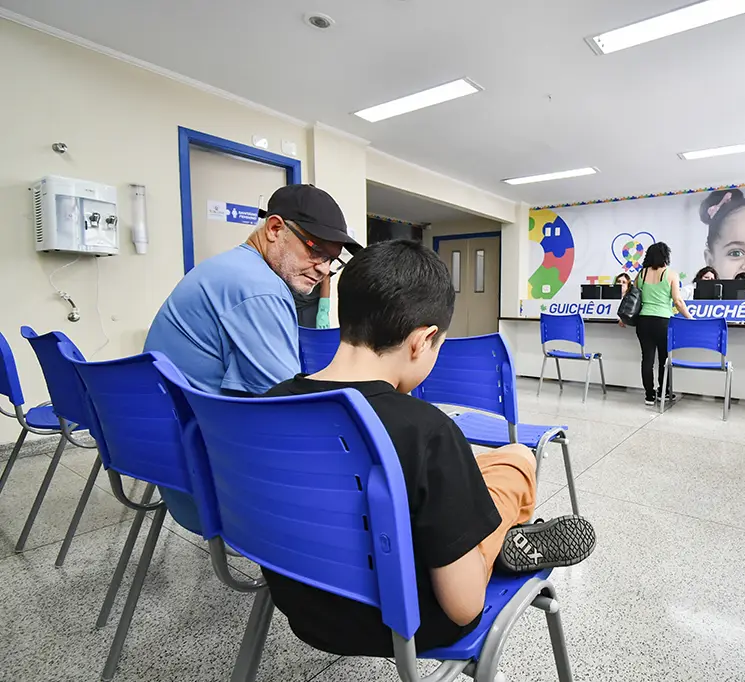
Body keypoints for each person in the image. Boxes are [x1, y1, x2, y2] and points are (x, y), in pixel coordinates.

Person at [261, 239, 596, 657]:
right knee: (516, 459)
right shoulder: (428, 432)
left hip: (302, 609)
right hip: (411, 622)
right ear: (423, 340)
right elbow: (463, 608)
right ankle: (495, 539)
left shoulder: (266, 404)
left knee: (475, 465)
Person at [144, 184, 360, 529]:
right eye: (315, 250)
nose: (323, 269)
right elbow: (286, 413)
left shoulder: (225, 268)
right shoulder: (258, 288)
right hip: (216, 484)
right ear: (275, 229)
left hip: (174, 462)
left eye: (332, 260)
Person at [634, 242, 694, 406]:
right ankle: (664, 393)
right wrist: (690, 318)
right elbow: (678, 301)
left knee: (647, 358)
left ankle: (649, 395)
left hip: (643, 321)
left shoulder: (641, 274)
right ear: (666, 256)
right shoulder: (671, 274)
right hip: (663, 321)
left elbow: (633, 297)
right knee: (663, 359)